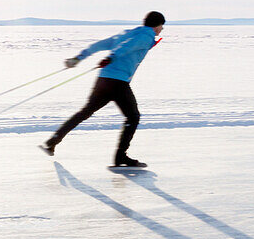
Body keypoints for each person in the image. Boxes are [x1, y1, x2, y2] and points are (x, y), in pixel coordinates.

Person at [39, 11, 165, 167]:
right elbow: (127, 47)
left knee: (85, 112)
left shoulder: (127, 33)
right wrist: (110, 58)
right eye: (161, 26)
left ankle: (52, 142)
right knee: (133, 117)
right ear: (157, 25)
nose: (161, 30)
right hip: (118, 82)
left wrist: (78, 58)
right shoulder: (145, 37)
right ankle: (120, 157)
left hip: (104, 80)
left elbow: (98, 45)